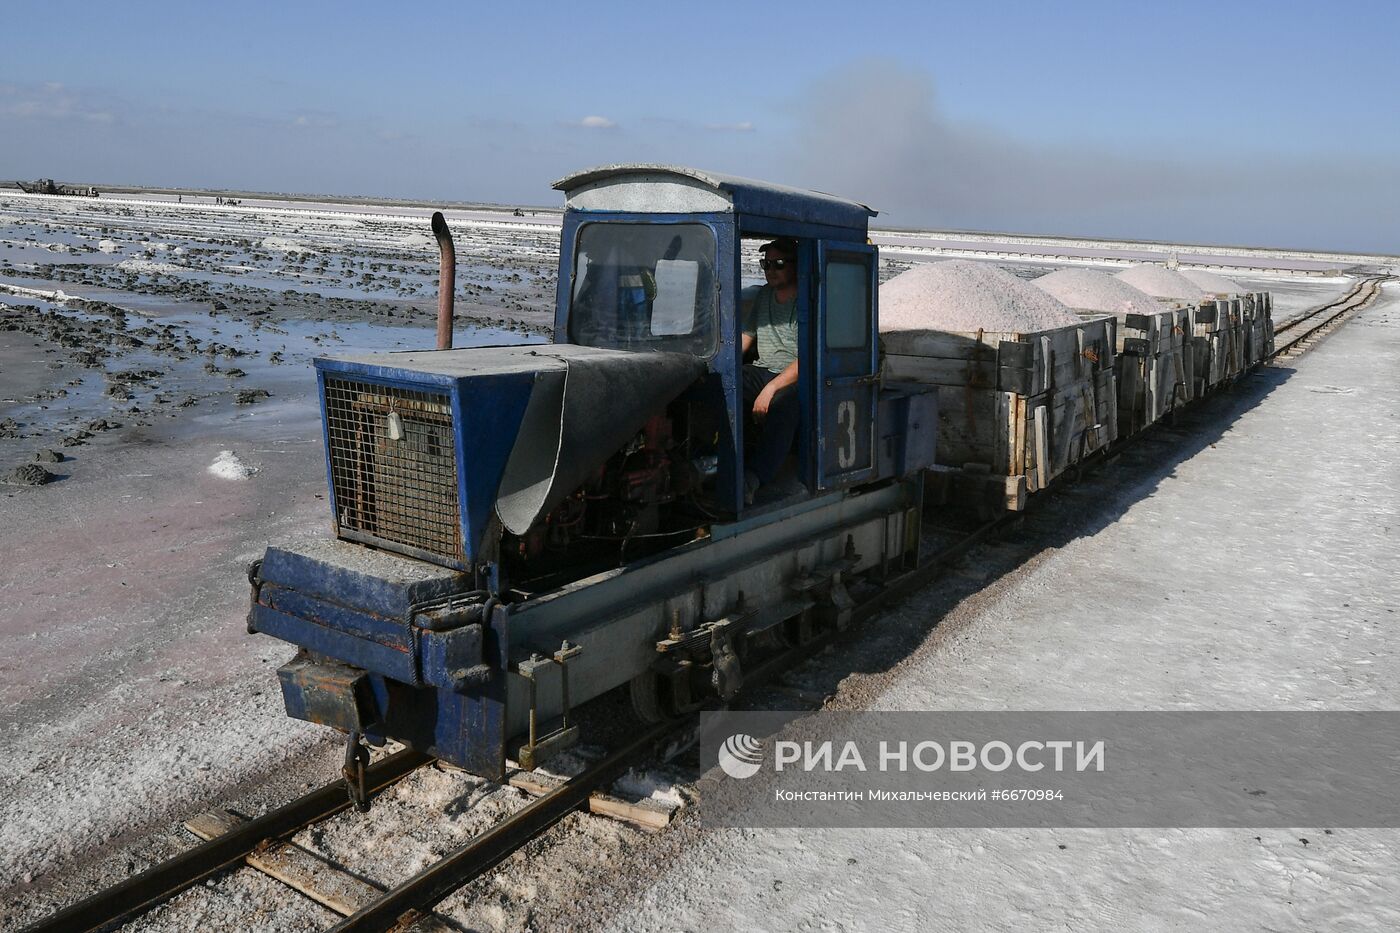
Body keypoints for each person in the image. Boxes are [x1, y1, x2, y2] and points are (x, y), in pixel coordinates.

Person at [740, 238, 802, 502]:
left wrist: (771, 388)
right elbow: (748, 334)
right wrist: (723, 368)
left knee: (784, 405)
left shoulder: (806, 300)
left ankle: (754, 477)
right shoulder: (764, 295)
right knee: (720, 384)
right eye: (766, 264)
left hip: (794, 376)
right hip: (762, 370)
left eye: (778, 264)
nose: (771, 270)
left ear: (795, 266)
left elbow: (806, 360)